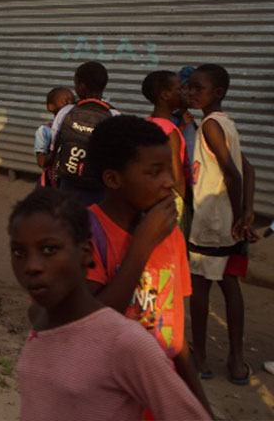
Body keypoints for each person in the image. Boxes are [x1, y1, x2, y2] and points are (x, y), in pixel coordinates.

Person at [9, 188, 210, 421]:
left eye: (49, 249)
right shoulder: (42, 323)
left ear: (85, 253)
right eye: (19, 252)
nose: (32, 265)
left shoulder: (125, 341)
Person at [83, 115, 211, 415]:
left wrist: (201, 407)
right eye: (154, 173)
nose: (169, 181)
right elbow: (87, 326)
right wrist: (142, 244)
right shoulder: (83, 233)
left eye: (169, 169)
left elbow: (175, 337)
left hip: (155, 400)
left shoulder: (172, 236)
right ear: (113, 179)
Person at [186, 63, 258, 385]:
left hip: (213, 219)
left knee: (200, 285)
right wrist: (246, 211)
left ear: (218, 93)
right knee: (230, 287)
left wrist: (239, 212)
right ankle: (237, 361)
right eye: (189, 86)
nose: (190, 92)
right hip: (229, 221)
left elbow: (233, 172)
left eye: (197, 88)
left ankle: (200, 357)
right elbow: (249, 170)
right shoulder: (226, 124)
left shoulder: (211, 126)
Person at [50, 61, 120, 205]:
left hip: (68, 183)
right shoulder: (114, 115)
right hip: (99, 188)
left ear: (81, 87)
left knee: (66, 220)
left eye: (75, 84)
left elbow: (54, 144)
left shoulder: (66, 111)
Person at [141, 70, 191, 228]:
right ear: (165, 95)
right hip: (172, 202)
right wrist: (184, 205)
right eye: (179, 89)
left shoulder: (150, 122)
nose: (184, 93)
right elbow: (177, 178)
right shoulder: (170, 131)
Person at [34, 87, 75, 187]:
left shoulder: (77, 129)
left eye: (73, 102)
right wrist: (57, 149)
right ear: (51, 107)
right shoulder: (45, 131)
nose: (70, 106)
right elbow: (41, 162)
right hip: (50, 183)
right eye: (65, 103)